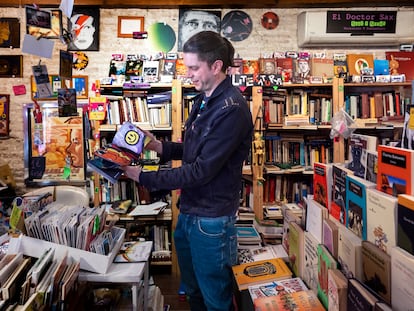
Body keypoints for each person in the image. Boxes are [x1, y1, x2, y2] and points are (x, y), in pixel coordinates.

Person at [123, 31, 253, 310]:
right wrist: (158, 146)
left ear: (216, 66)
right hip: (190, 212)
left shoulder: (232, 109)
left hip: (212, 221)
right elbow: (193, 150)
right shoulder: (203, 99)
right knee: (193, 291)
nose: (188, 74)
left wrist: (143, 177)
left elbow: (200, 171)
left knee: (216, 300)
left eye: (194, 68)